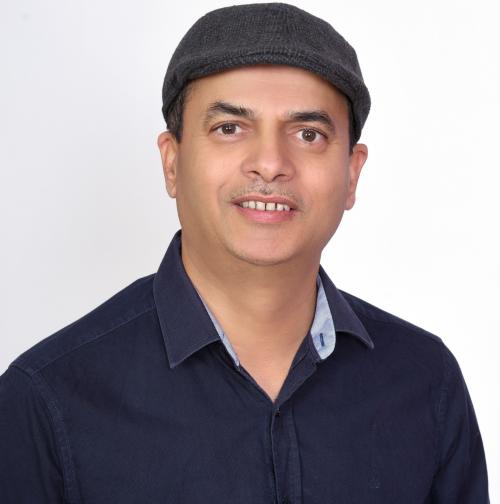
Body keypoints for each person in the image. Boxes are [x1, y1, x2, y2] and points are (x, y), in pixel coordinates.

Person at [0, 3, 489, 502]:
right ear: (172, 163)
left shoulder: (426, 381)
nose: (270, 164)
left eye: (308, 134)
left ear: (351, 174)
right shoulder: (46, 401)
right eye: (230, 128)